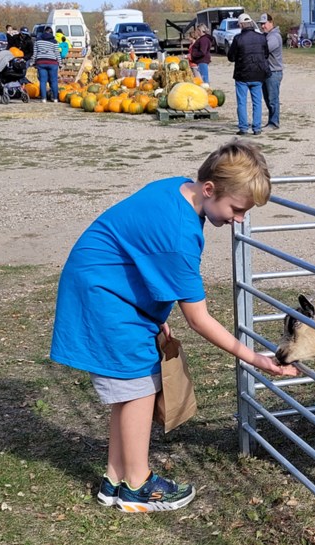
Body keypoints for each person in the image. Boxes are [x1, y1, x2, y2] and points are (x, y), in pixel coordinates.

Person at [50, 140, 299, 513]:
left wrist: (154, 315)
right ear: (210, 189)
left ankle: (115, 479)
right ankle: (137, 486)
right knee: (140, 387)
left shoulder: (178, 188)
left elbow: (139, 254)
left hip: (108, 287)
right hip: (105, 297)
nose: (239, 219)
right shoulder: (181, 236)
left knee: (129, 386)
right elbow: (198, 319)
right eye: (237, 209)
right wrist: (254, 358)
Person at [226, 14, 269, 136]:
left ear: (240, 25)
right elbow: (266, 54)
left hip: (242, 75)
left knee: (242, 102)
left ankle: (243, 128)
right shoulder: (261, 37)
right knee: (257, 102)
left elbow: (231, 57)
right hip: (258, 74)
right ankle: (257, 128)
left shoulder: (238, 38)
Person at [257, 14, 283, 131]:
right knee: (268, 99)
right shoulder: (267, 35)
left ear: (271, 22)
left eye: (264, 23)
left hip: (273, 72)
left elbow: (264, 50)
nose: (263, 26)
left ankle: (274, 123)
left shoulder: (274, 37)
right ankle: (271, 121)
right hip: (266, 72)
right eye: (261, 24)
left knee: (273, 99)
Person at [34, 27, 60, 102]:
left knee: (43, 81)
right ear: (51, 32)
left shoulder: (38, 40)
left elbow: (35, 52)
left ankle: (43, 99)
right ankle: (55, 98)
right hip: (52, 62)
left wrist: (33, 62)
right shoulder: (54, 41)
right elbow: (57, 53)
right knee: (54, 81)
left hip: (41, 62)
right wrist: (60, 63)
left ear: (44, 32)